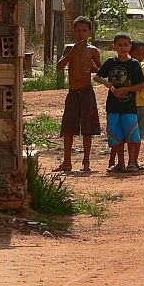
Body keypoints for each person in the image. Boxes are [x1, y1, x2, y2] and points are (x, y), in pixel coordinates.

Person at [54, 16, 102, 172]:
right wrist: (72, 52)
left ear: (89, 32)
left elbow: (102, 71)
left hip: (87, 92)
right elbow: (59, 67)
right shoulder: (69, 48)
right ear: (73, 32)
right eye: (78, 31)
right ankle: (67, 162)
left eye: (84, 31)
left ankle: (86, 162)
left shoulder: (93, 50)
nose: (81, 34)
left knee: (87, 128)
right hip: (73, 92)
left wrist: (95, 69)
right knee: (68, 127)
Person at [94, 32, 144, 173]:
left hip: (129, 107)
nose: (123, 48)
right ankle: (120, 163)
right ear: (114, 46)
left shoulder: (134, 64)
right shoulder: (110, 63)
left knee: (131, 136)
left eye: (125, 45)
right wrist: (106, 83)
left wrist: (125, 90)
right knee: (116, 137)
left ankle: (132, 163)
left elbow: (141, 84)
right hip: (113, 106)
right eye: (120, 45)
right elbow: (97, 77)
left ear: (130, 47)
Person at [108, 40, 144, 170]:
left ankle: (134, 161)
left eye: (143, 54)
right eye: (137, 54)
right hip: (126, 105)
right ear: (130, 52)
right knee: (121, 133)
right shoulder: (126, 66)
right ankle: (117, 161)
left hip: (141, 105)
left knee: (137, 135)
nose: (140, 57)